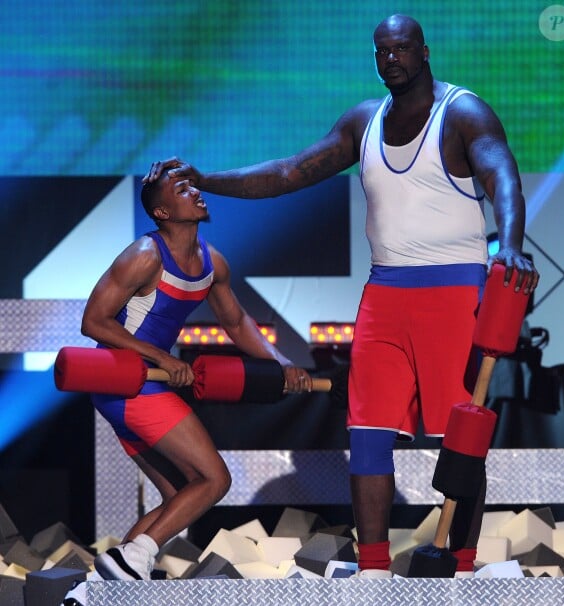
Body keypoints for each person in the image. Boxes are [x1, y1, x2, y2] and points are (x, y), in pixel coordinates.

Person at [143, 14, 539, 578]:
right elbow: (287, 173)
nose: (391, 58)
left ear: (424, 52)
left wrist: (513, 245)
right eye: (382, 51)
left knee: (462, 434)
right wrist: (207, 180)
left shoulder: (463, 112)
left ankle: (464, 567)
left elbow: (502, 174)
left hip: (454, 292)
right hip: (385, 294)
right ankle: (374, 570)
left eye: (401, 48)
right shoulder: (363, 122)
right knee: (367, 430)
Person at [62, 168, 313, 604]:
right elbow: (93, 322)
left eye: (192, 185)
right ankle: (132, 559)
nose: (196, 191)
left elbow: (235, 322)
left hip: (141, 386)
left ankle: (94, 594)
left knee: (181, 496)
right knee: (214, 479)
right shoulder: (144, 255)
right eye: (182, 190)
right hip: (130, 382)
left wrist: (282, 363)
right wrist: (161, 357)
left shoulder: (212, 262)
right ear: (162, 211)